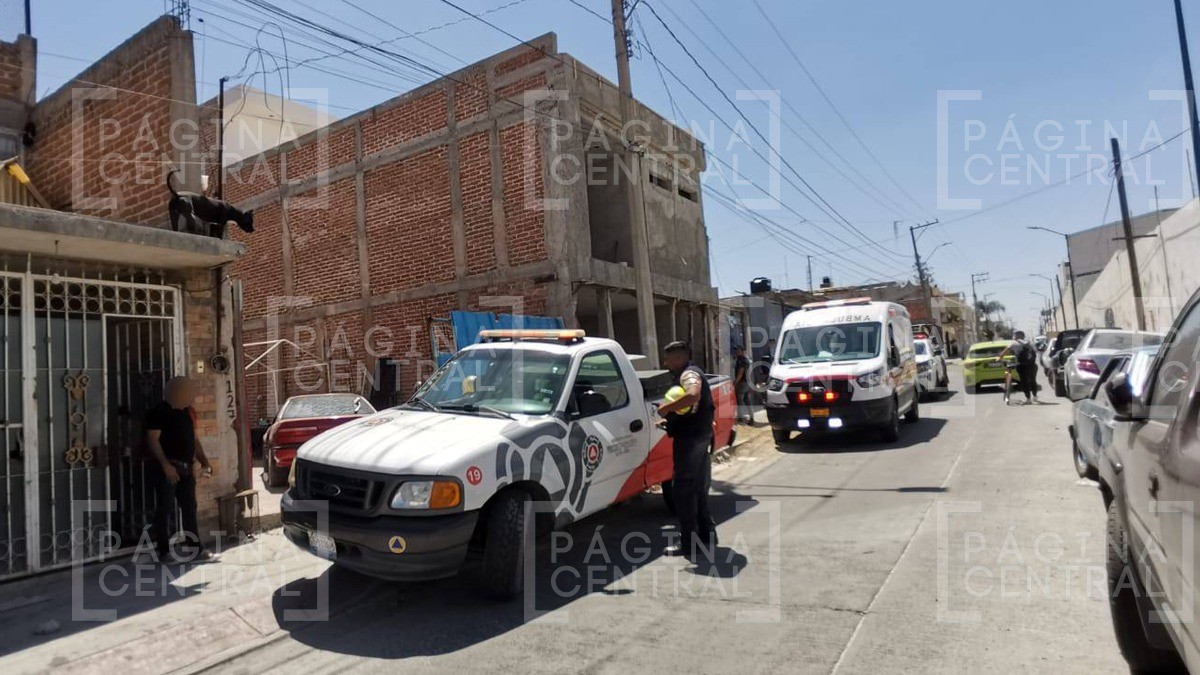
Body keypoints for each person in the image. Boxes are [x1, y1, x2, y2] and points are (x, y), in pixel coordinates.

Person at [657, 341, 717, 559]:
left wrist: (666, 408)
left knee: (683, 491)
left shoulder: (689, 374)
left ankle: (688, 543)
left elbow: (693, 395)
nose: (666, 363)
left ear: (680, 358)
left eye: (669, 359)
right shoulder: (693, 371)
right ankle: (707, 535)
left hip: (690, 440)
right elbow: (692, 408)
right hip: (700, 437)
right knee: (699, 488)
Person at [145, 376, 214, 562]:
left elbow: (194, 440)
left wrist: (205, 462)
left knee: (190, 508)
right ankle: (164, 551)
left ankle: (195, 549)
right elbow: (152, 439)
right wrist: (166, 465)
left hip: (186, 467)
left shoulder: (186, 412)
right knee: (165, 509)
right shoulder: (159, 412)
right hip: (168, 467)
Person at [997, 331, 1039, 405]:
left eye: (1014, 335)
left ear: (1016, 336)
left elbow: (1005, 351)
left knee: (1024, 382)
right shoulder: (1029, 343)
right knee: (1032, 380)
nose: (1013, 336)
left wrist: (999, 357)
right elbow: (1035, 351)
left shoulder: (1013, 343)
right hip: (1032, 365)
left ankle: (1028, 398)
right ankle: (1035, 396)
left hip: (1022, 365)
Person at [733, 345, 753, 424]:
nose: (736, 352)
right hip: (748, 383)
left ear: (742, 351)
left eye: (738, 350)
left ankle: (741, 417)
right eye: (736, 350)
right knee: (748, 401)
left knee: (739, 400)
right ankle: (751, 418)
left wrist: (736, 382)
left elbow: (740, 372)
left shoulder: (740, 360)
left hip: (742, 383)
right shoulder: (747, 360)